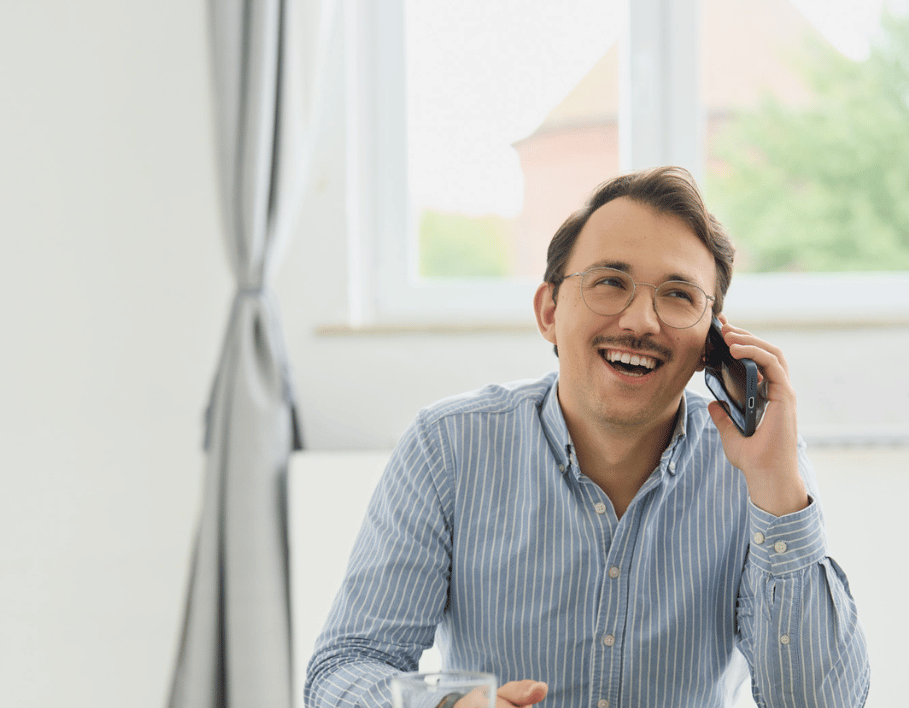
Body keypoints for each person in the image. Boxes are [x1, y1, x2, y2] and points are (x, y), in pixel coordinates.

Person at [306, 167, 870, 707]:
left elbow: (820, 702)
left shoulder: (762, 469)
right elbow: (346, 668)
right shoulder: (448, 448)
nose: (641, 321)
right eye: (609, 283)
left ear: (712, 341)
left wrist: (776, 487)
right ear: (549, 311)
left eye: (678, 295)